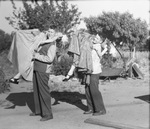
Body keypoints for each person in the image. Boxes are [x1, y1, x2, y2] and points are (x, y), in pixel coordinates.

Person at [64, 20, 107, 116]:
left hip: (95, 71)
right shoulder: (87, 45)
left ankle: (100, 109)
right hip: (87, 70)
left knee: (93, 89)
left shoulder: (96, 46)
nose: (94, 39)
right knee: (87, 89)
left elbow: (98, 52)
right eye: (94, 38)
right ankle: (91, 108)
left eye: (97, 38)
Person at [30, 29, 62, 121]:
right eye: (48, 31)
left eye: (52, 32)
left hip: (43, 70)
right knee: (36, 90)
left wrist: (36, 56)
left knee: (43, 91)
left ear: (55, 34)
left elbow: (50, 59)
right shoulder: (43, 42)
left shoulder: (52, 44)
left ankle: (47, 114)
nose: (49, 33)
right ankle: (39, 110)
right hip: (37, 68)